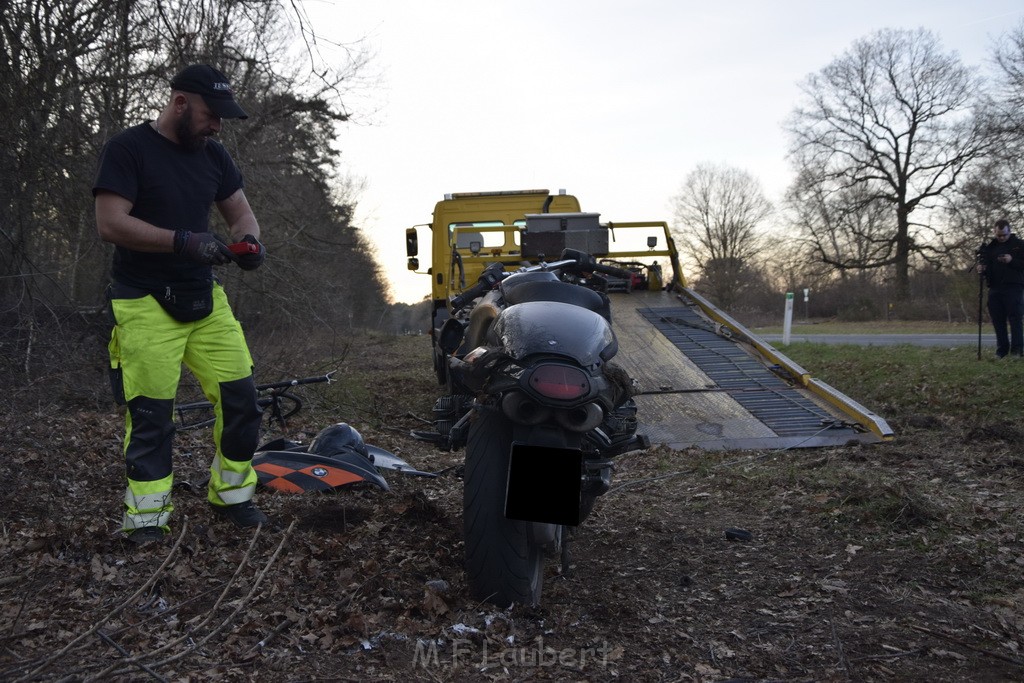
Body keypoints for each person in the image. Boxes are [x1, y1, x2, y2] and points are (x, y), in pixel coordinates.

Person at [94, 64, 269, 543]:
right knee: (151, 414)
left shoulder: (214, 156)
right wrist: (183, 241)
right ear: (179, 103)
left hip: (205, 299)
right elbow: (110, 223)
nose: (216, 125)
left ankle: (232, 497)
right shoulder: (127, 149)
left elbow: (240, 213)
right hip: (143, 301)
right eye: (211, 115)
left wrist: (249, 242)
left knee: (242, 401)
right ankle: (147, 519)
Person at [978, 218, 1024, 358]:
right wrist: (982, 269)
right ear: (995, 232)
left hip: (1014, 287)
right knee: (998, 320)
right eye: (999, 235)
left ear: (1009, 231)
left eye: (1004, 234)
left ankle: (1017, 350)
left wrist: (1011, 261)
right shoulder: (991, 247)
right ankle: (1002, 350)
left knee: (1015, 319)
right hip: (995, 288)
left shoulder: (1019, 245)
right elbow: (986, 265)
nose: (1002, 237)